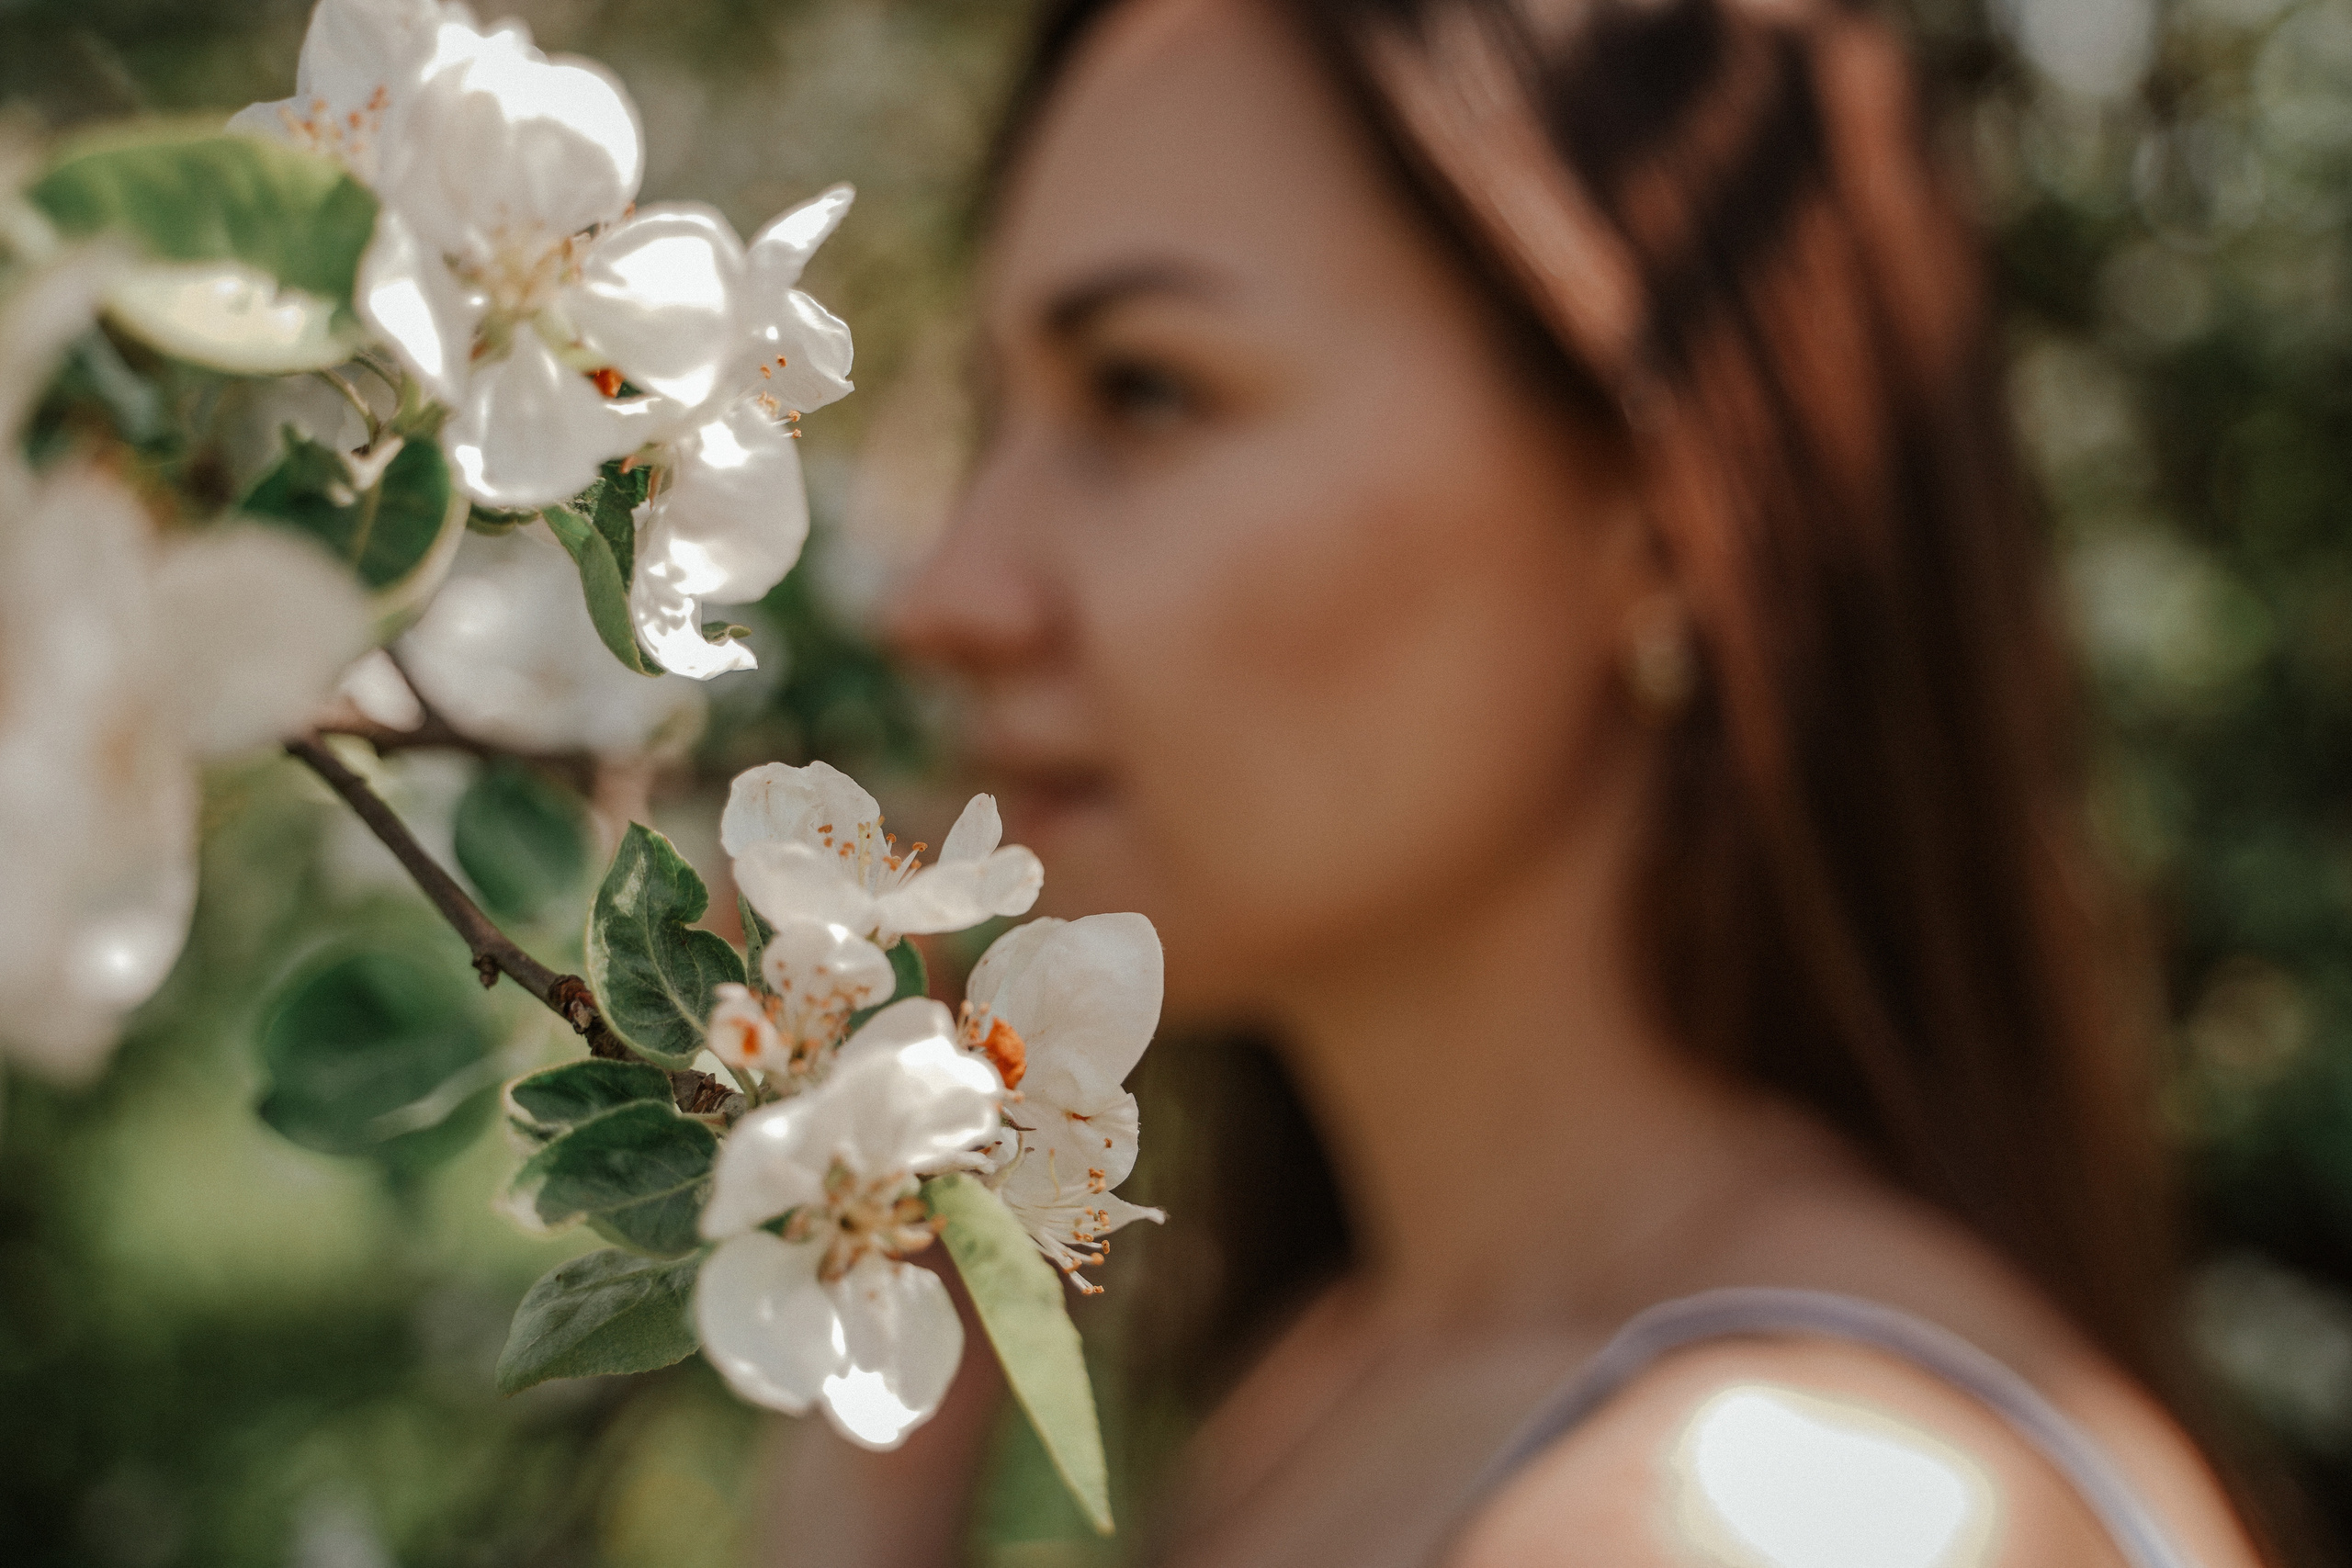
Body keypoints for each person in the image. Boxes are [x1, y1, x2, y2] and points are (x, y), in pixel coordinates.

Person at [776, 0, 2279, 1562]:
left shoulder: (1741, 1512)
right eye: (998, 413)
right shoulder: (1347, 1375)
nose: (946, 594)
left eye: (1146, 390)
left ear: (1658, 515)